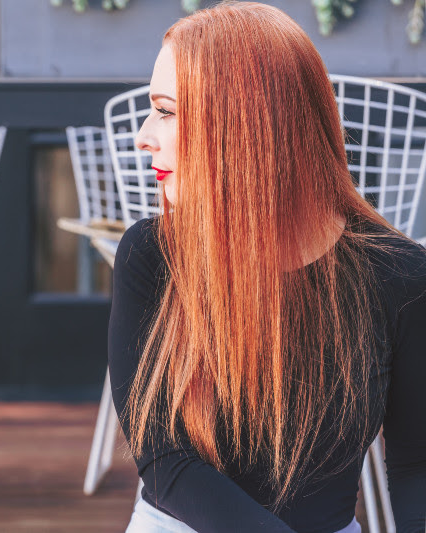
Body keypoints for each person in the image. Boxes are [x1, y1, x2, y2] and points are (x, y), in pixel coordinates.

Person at [107, 3, 426, 532]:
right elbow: (165, 458)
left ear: (245, 123)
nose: (143, 135)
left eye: (165, 111)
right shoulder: (151, 255)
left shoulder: (399, 275)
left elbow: (417, 463)